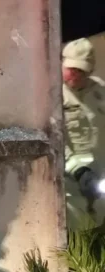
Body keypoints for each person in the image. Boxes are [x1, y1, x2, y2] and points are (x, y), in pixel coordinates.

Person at [62, 38, 105, 229]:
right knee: (79, 231)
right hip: (72, 182)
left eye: (81, 70)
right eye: (71, 69)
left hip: (99, 179)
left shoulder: (100, 90)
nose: (75, 74)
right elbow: (55, 140)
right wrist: (79, 171)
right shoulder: (52, 95)